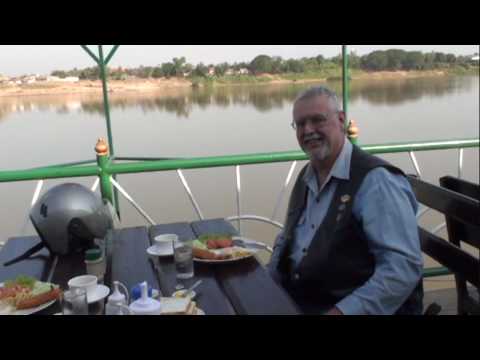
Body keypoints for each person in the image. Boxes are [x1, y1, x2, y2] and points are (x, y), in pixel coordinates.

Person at [268, 86, 424, 315]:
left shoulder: (376, 182)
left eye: (317, 120)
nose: (308, 130)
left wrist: (342, 313)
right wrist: (265, 279)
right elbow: (288, 238)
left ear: (341, 120)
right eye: (300, 124)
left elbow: (402, 270)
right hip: (302, 300)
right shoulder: (306, 175)